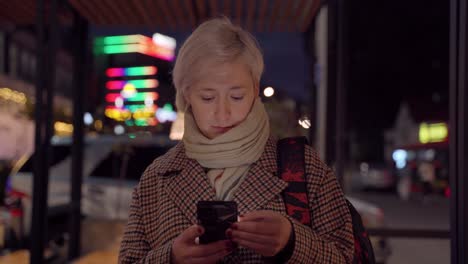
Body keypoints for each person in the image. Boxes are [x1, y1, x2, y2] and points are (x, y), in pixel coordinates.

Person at [119, 17, 354, 264]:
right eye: (208, 98)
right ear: (186, 95)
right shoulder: (157, 178)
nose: (223, 113)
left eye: (237, 96)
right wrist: (171, 258)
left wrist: (293, 243)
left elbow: (346, 257)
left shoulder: (302, 167)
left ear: (255, 89)